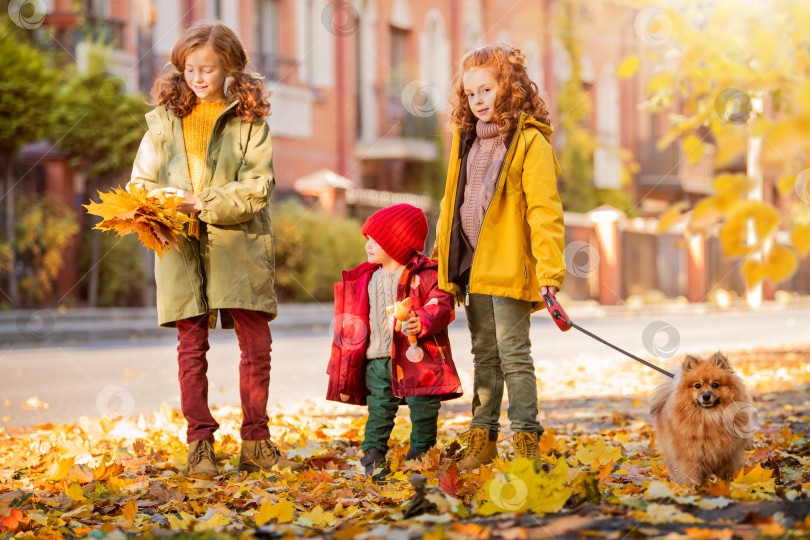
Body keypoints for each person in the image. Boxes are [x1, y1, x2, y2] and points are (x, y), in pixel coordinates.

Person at [126, 21, 301, 475]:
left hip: (238, 242)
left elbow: (257, 187)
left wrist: (199, 202)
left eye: (208, 69)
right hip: (180, 244)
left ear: (231, 70)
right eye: (189, 69)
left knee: (255, 343)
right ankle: (200, 443)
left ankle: (256, 441)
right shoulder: (163, 124)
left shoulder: (250, 124)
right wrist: (160, 204)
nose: (198, 78)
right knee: (190, 346)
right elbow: (140, 183)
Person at [433, 45, 566, 469]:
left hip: (510, 266)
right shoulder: (466, 142)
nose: (479, 100)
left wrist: (550, 272)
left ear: (509, 88)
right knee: (483, 355)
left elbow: (545, 212)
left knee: (514, 354)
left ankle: (526, 438)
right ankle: (483, 438)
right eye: (471, 94)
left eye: (487, 89)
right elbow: (450, 200)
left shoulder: (530, 142)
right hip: (473, 267)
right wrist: (441, 258)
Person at [326, 204, 462, 479]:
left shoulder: (425, 274)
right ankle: (373, 454)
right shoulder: (365, 277)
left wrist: (422, 319)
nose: (368, 245)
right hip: (376, 358)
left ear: (396, 243)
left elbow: (442, 304)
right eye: (367, 239)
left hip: (417, 357)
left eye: (375, 239)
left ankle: (421, 454)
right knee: (379, 408)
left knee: (423, 407)